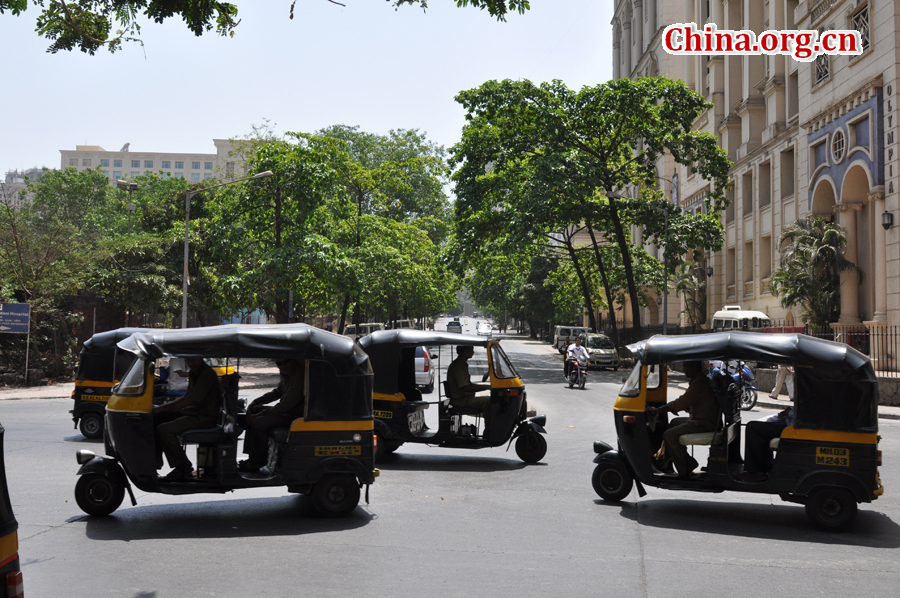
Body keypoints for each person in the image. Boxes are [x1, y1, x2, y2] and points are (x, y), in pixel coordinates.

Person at [153, 357, 222, 480]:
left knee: (164, 430)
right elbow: (187, 396)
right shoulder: (194, 373)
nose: (191, 361)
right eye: (188, 359)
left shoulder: (206, 374)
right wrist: (162, 409)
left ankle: (183, 467)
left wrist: (163, 407)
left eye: (194, 359)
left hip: (204, 417)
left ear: (200, 358)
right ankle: (156, 460)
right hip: (193, 412)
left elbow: (190, 399)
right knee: (157, 417)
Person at [647, 361, 719, 478]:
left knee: (669, 435)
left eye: (686, 367)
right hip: (702, 418)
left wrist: (658, 410)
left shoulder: (699, 383)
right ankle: (661, 460)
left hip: (704, 423)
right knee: (674, 423)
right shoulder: (699, 380)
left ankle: (687, 466)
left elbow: (681, 402)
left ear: (694, 367)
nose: (684, 370)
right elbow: (689, 401)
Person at [238, 358, 306, 473]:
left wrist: (258, 416)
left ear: (293, 361)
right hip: (288, 411)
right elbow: (278, 392)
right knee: (254, 409)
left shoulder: (298, 376)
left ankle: (258, 462)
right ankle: (252, 457)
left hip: (296, 416)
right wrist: (258, 401)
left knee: (259, 422)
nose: (284, 366)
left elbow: (285, 405)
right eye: (280, 363)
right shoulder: (286, 373)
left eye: (286, 361)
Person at [446, 345, 492, 434]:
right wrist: (486, 387)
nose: (473, 352)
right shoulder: (458, 366)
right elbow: (466, 387)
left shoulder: (462, 364)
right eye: (472, 350)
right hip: (461, 400)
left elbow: (468, 384)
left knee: (489, 399)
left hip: (464, 398)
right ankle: (489, 430)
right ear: (465, 351)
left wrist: (486, 386)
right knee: (489, 401)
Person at [741, 407, 794, 482]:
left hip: (793, 428)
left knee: (752, 428)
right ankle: (765, 466)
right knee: (760, 423)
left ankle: (757, 472)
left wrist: (790, 412)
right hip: (789, 422)